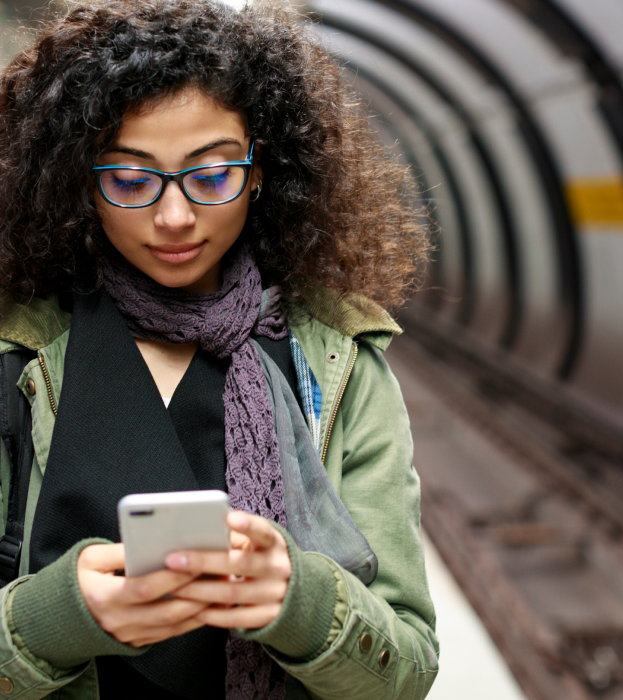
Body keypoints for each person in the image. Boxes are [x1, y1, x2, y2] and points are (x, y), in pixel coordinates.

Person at [0, 0, 438, 698]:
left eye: (210, 177)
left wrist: (299, 602)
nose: (174, 217)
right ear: (80, 183)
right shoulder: (18, 355)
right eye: (132, 180)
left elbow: (408, 669)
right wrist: (55, 618)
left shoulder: (335, 360)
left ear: (259, 171)